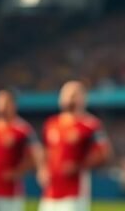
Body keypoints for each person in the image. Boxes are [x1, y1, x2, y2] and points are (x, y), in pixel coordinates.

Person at [39, 81, 111, 211]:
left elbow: (104, 153)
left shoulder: (91, 125)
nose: (69, 97)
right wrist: (42, 169)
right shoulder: (51, 124)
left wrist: (79, 165)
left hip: (74, 192)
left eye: (74, 94)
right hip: (50, 191)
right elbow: (45, 150)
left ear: (83, 98)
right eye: (66, 93)